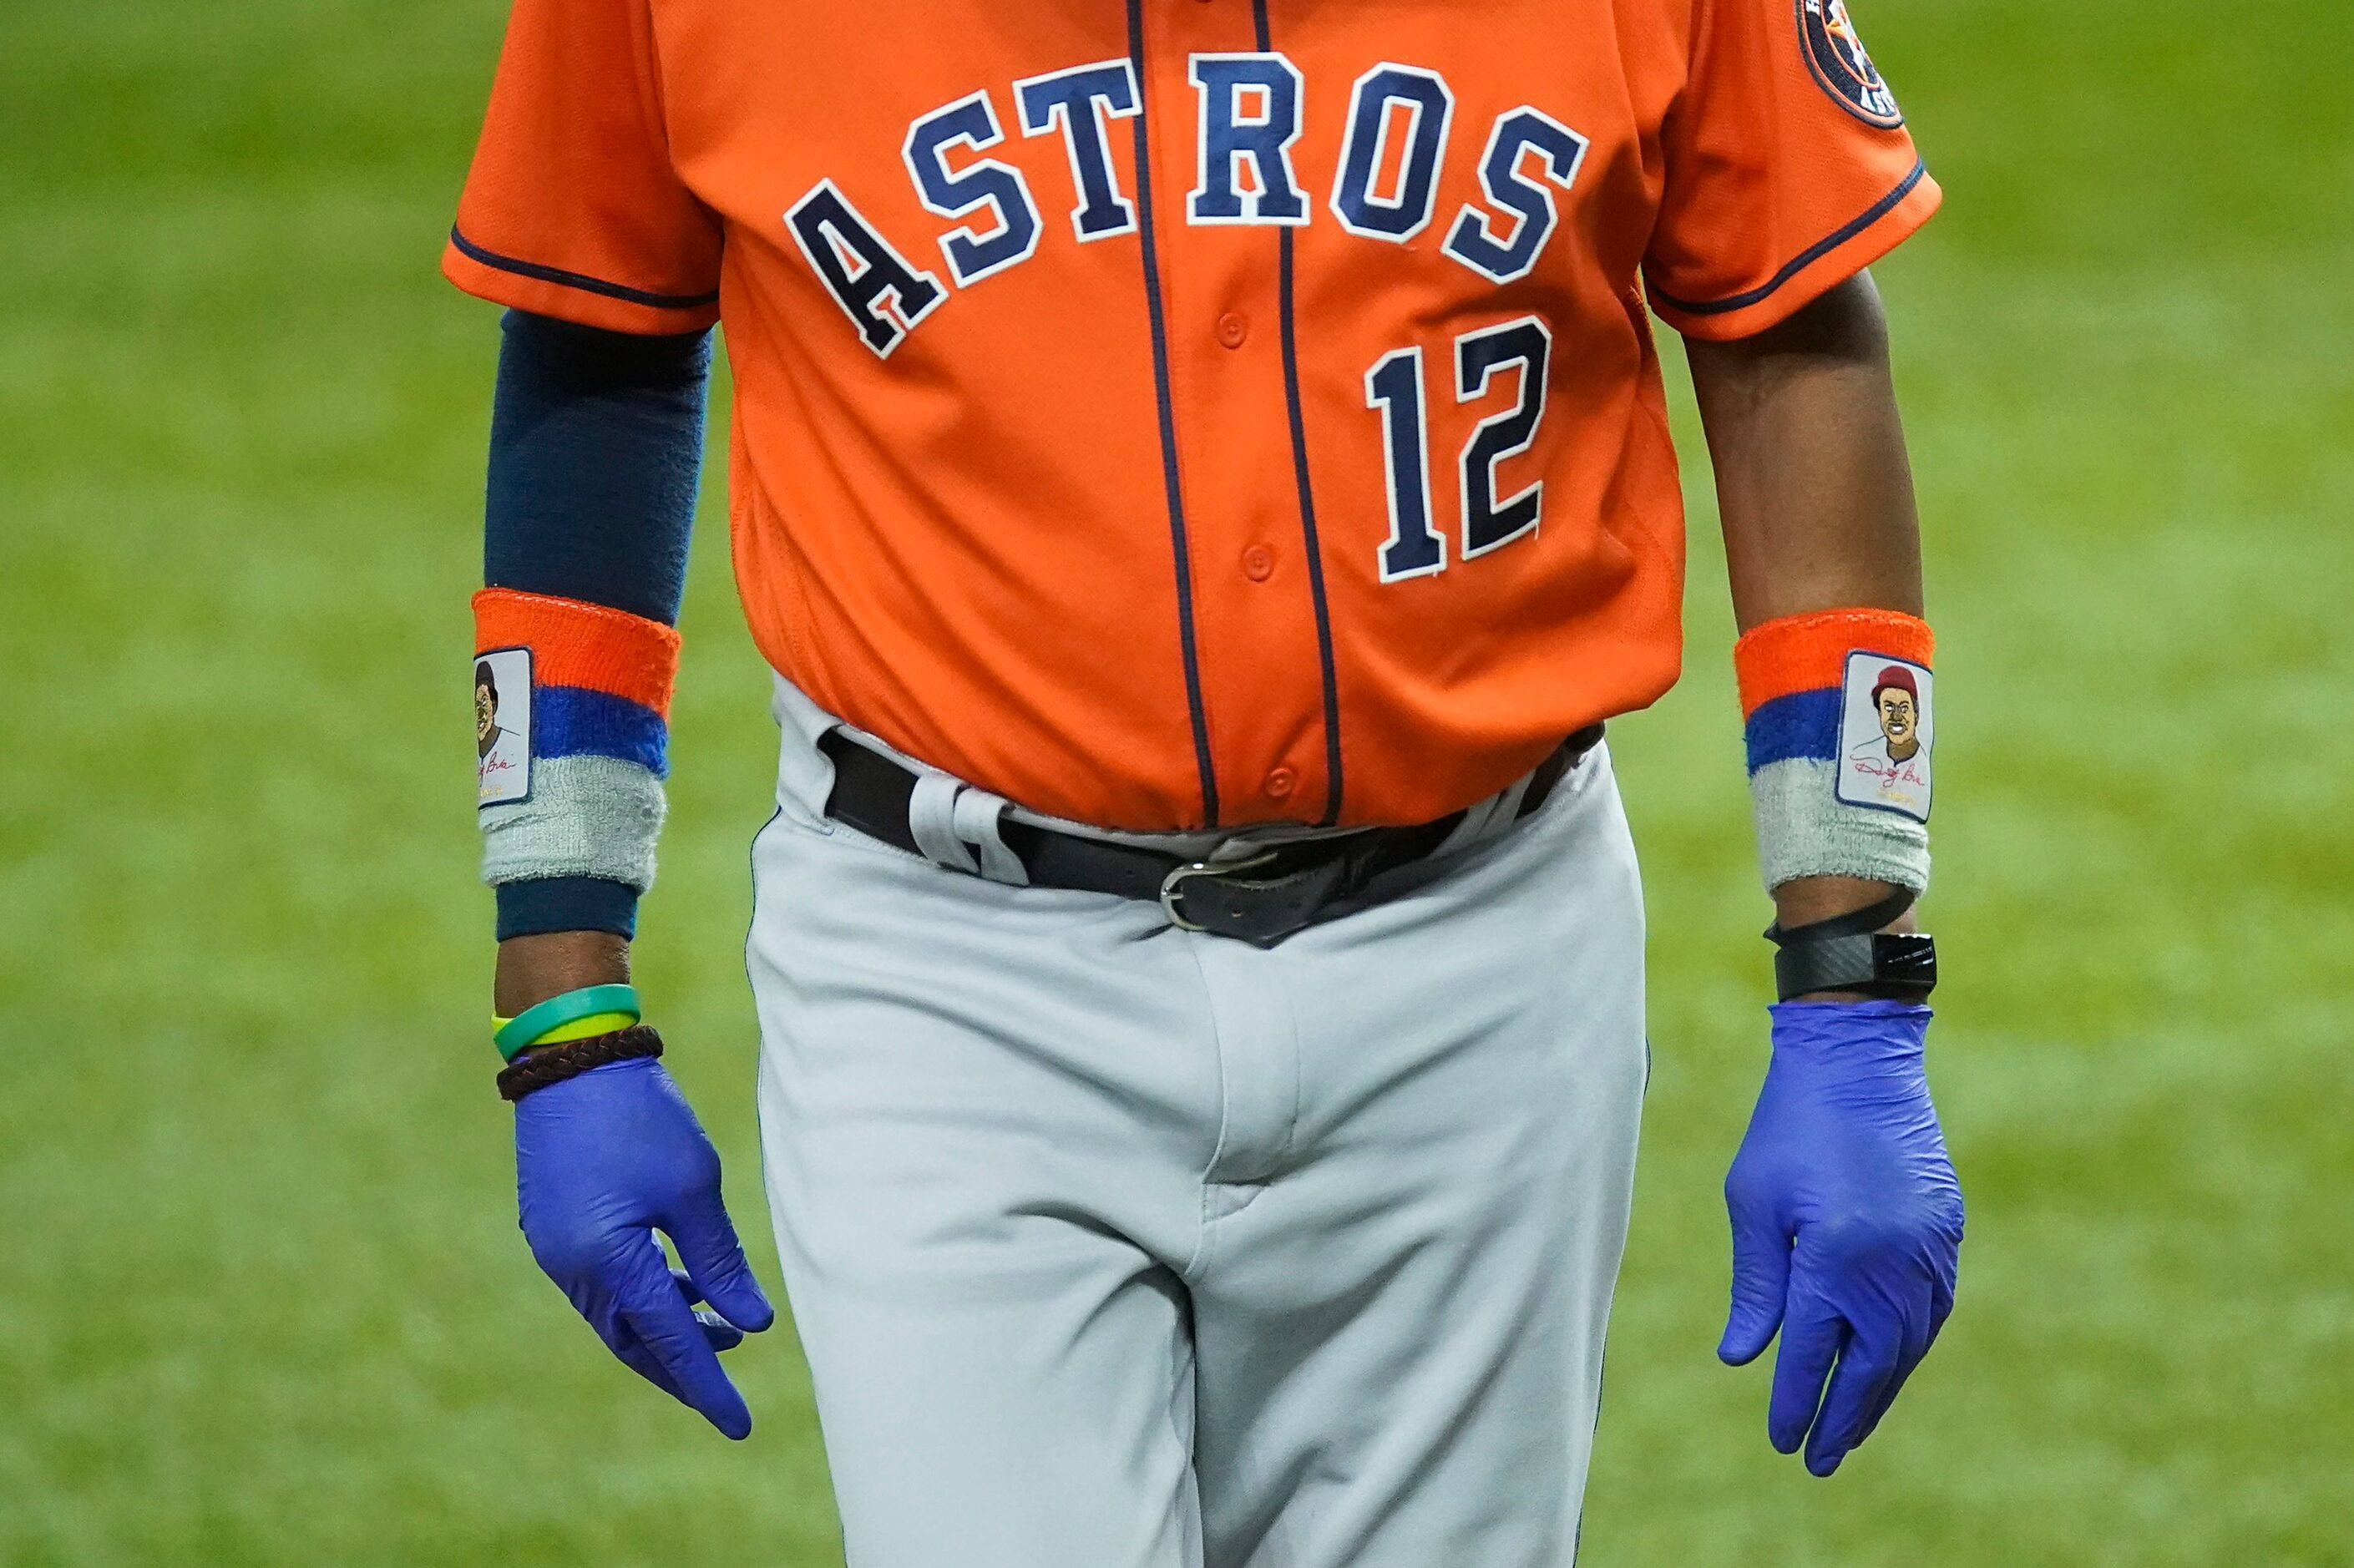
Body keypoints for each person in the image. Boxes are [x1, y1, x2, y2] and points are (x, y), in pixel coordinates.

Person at [445, 0, 1964, 1560]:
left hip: (1483, 965)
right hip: (953, 987)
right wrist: (566, 1005)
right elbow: (598, 342)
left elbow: (1787, 332)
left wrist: (1856, 988)